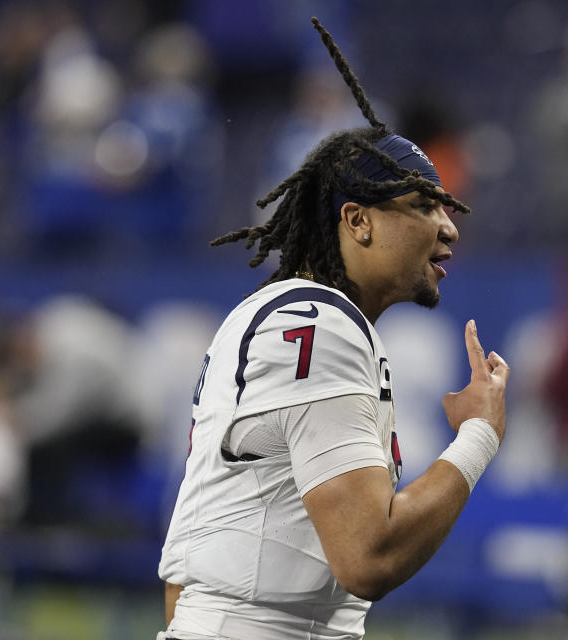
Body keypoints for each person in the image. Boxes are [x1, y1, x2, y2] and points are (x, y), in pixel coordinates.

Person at [157, 18, 510, 640]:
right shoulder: (318, 324)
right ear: (359, 221)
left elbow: (187, 570)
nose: (449, 227)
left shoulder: (279, 313)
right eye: (425, 205)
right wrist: (478, 436)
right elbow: (367, 558)